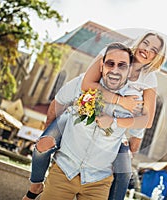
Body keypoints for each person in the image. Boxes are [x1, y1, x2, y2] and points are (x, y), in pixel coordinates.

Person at [23, 31, 167, 200]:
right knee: (43, 144)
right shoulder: (113, 52)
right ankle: (35, 187)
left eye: (154, 50)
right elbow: (86, 84)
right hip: (79, 115)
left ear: (157, 58)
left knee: (125, 173)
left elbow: (147, 120)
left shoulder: (149, 79)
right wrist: (121, 101)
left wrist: (116, 123)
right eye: (146, 43)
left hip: (113, 130)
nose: (147, 49)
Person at [39, 42, 138, 199]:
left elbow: (136, 138)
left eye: (122, 65)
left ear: (130, 70)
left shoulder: (135, 100)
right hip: (64, 170)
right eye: (110, 63)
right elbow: (56, 104)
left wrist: (123, 153)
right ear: (101, 65)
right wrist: (51, 138)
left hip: (99, 182)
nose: (115, 70)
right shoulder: (81, 83)